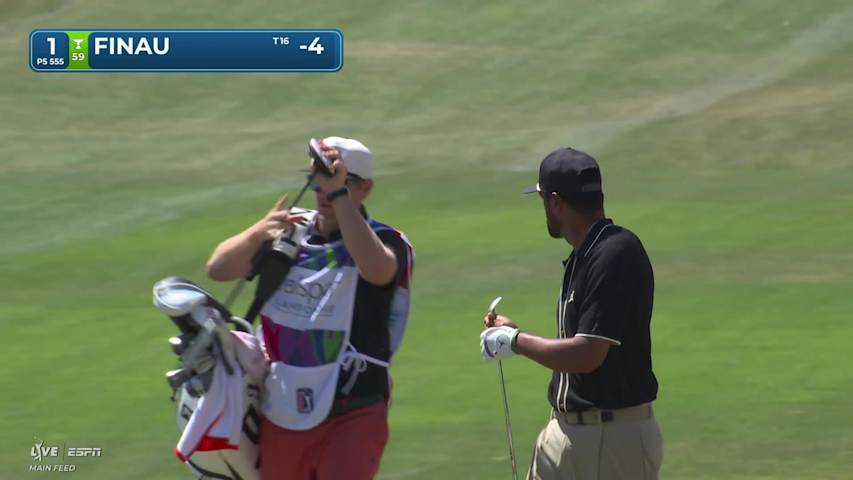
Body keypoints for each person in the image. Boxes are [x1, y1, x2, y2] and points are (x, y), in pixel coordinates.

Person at [206, 137, 414, 480]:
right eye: (318, 178)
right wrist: (259, 230)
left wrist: (338, 197)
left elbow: (378, 269)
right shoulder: (291, 231)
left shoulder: (386, 240)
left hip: (355, 406)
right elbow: (219, 269)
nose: (324, 189)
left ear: (365, 189)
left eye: (344, 181)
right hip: (281, 405)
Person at [480, 147, 662, 480]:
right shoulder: (586, 254)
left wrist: (516, 342)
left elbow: (588, 354)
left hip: (611, 440)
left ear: (555, 202)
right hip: (570, 433)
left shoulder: (614, 253)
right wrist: (515, 334)